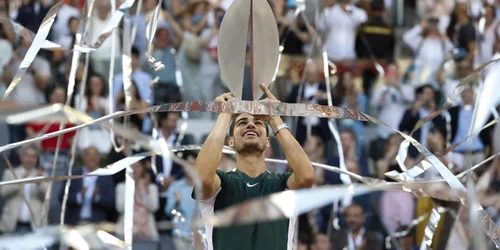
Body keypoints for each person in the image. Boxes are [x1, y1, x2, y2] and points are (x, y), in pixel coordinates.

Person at [195, 84, 315, 250]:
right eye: (242, 122)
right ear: (230, 142)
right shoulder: (221, 184)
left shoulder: (282, 184)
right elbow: (201, 178)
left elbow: (307, 177)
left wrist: (274, 117)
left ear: (268, 141)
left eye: (258, 123)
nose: (250, 125)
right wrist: (224, 114)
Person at [61, 146, 115, 225]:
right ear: (83, 157)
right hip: (74, 222)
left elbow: (111, 203)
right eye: (89, 155)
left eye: (95, 155)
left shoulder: (106, 176)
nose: (92, 158)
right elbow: (62, 198)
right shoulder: (73, 175)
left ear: (99, 157)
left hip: (98, 223)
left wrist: (96, 197)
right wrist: (79, 196)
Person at [0, 145, 48, 234]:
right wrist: (20, 182)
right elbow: (3, 192)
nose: (30, 159)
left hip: (35, 225)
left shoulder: (42, 174)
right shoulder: (10, 173)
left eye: (33, 156)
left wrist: (39, 183)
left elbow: (46, 197)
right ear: (21, 157)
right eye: (27, 156)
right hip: (13, 224)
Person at [115, 160, 159, 241]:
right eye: (132, 167)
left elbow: (153, 207)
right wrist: (132, 189)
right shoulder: (121, 187)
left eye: (138, 167)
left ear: (143, 168)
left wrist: (146, 190)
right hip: (126, 231)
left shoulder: (151, 187)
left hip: (147, 231)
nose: (135, 170)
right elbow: (120, 208)